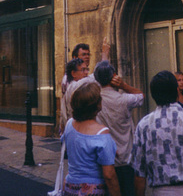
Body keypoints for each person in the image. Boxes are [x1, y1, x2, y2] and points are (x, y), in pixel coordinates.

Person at [61, 81, 121, 196]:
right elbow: (109, 176)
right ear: (97, 105)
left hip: (70, 186)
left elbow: (69, 147)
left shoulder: (69, 125)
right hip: (92, 190)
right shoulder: (101, 133)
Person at [94, 60, 144, 196]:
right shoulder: (124, 99)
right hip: (125, 158)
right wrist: (124, 85)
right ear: (114, 77)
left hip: (105, 160)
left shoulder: (95, 99)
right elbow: (141, 96)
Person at [60, 57, 89, 132]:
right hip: (77, 129)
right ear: (73, 73)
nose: (86, 73)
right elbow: (92, 78)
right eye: (83, 70)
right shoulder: (74, 87)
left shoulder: (74, 86)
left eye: (87, 69)